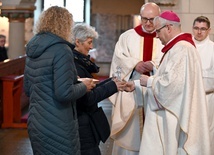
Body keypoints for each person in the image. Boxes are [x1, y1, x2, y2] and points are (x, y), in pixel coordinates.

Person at [24, 6, 96, 155]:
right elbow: (64, 93)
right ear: (65, 24)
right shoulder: (62, 50)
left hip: (37, 122)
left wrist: (70, 79)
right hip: (57, 122)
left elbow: (28, 89)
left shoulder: (33, 48)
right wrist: (83, 85)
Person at [137, 10, 210, 155]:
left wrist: (149, 81)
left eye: (158, 30)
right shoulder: (178, 47)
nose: (156, 35)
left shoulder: (182, 48)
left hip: (172, 115)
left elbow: (173, 86)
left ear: (169, 28)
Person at [108, 2, 163, 154]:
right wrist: (134, 64)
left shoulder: (163, 36)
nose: (148, 23)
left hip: (155, 92)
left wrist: (153, 65)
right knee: (131, 133)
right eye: (144, 18)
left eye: (152, 19)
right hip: (131, 92)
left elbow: (169, 60)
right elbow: (118, 60)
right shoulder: (127, 37)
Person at [72, 23, 128, 155]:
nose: (91, 47)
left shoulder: (78, 61)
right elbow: (87, 98)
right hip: (81, 123)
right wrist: (113, 86)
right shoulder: (75, 64)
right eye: (89, 42)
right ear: (77, 42)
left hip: (85, 121)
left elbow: (91, 86)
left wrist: (111, 82)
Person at [192, 16, 214, 154]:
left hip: (207, 98)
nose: (199, 32)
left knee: (207, 131)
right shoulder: (186, 47)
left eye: (203, 29)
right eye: (196, 28)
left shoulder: (213, 49)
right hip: (188, 99)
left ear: (209, 30)